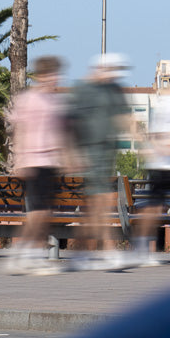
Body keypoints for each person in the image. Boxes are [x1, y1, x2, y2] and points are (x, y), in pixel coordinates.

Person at [4, 55, 68, 274]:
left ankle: (28, 255)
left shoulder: (54, 101)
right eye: (51, 75)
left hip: (50, 163)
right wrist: (20, 160)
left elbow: (60, 132)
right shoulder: (29, 100)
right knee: (38, 213)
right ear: (41, 76)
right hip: (33, 162)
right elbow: (20, 131)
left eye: (56, 75)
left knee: (43, 213)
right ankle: (24, 254)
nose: (55, 79)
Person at [66, 53, 130, 269]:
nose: (113, 75)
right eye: (110, 70)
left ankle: (80, 254)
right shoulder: (82, 89)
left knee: (95, 208)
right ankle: (109, 250)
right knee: (100, 203)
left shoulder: (114, 89)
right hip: (89, 155)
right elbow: (71, 123)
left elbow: (123, 116)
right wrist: (73, 153)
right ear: (99, 69)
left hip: (106, 155)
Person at [132, 92, 170, 265]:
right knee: (154, 209)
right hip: (163, 165)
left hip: (163, 164)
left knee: (154, 208)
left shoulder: (165, 102)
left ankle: (140, 247)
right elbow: (159, 137)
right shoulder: (168, 103)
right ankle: (140, 247)